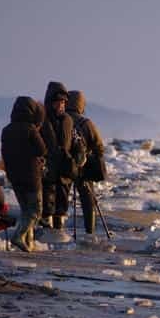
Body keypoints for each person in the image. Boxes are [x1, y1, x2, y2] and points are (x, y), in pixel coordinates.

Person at [0, 96, 47, 251]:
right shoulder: (30, 129)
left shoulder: (6, 130)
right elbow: (42, 150)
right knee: (35, 211)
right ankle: (18, 236)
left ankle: (27, 243)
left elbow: (4, 153)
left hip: (14, 176)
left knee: (25, 210)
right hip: (31, 175)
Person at [66, 90, 106, 236]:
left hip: (62, 166)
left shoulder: (60, 119)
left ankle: (56, 230)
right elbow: (99, 146)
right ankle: (90, 231)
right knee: (88, 201)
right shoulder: (86, 123)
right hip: (83, 168)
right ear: (81, 104)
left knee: (60, 199)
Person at [40, 82, 76, 230]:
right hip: (47, 167)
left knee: (62, 202)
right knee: (47, 200)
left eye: (63, 102)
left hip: (64, 167)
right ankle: (45, 232)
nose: (61, 105)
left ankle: (58, 230)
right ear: (50, 102)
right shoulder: (42, 119)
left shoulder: (68, 120)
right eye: (58, 102)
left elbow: (74, 140)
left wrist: (77, 156)